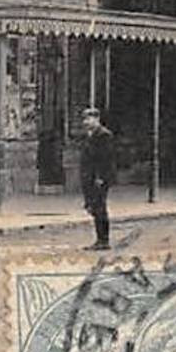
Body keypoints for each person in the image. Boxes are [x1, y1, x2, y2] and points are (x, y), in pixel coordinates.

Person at [79, 107, 116, 250]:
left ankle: (103, 240)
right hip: (90, 176)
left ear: (97, 119)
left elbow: (106, 158)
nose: (86, 122)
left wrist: (101, 177)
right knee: (94, 207)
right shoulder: (89, 135)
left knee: (100, 207)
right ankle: (99, 239)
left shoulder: (104, 135)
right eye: (85, 119)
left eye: (89, 119)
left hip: (99, 177)